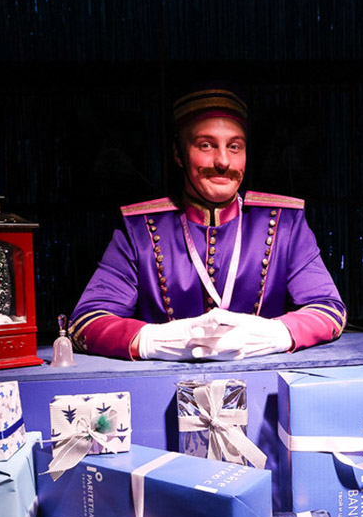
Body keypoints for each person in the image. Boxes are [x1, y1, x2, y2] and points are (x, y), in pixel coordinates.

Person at [69, 83, 346, 361]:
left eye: (234, 147)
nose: (223, 161)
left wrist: (278, 333)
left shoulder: (286, 223)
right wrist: (151, 340)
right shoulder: (138, 229)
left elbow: (329, 309)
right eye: (206, 145)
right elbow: (86, 321)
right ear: (178, 154)